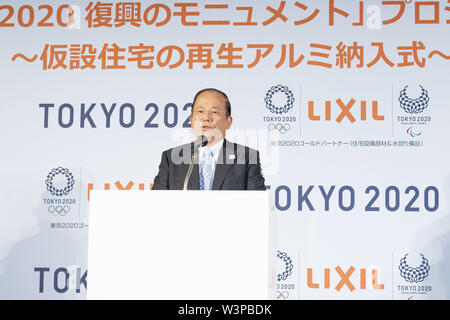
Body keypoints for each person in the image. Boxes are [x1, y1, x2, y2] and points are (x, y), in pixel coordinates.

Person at [152, 88, 266, 190]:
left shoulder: (247, 157)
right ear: (191, 120)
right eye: (200, 111)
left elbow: (258, 205)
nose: (206, 118)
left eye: (215, 112)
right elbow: (156, 204)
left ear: (228, 121)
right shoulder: (171, 158)